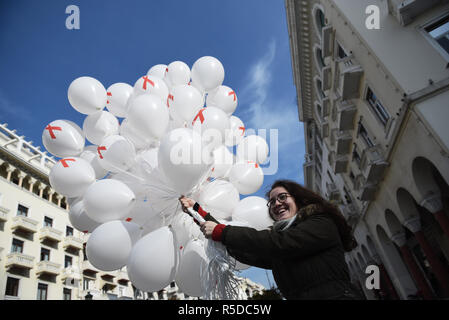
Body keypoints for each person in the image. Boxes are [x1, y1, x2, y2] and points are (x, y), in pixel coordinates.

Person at [180, 179, 362, 300]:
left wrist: (223, 232)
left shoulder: (321, 222)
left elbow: (280, 243)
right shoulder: (278, 242)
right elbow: (247, 252)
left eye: (282, 197)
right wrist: (197, 211)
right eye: (272, 202)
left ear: (298, 199)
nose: (276, 204)